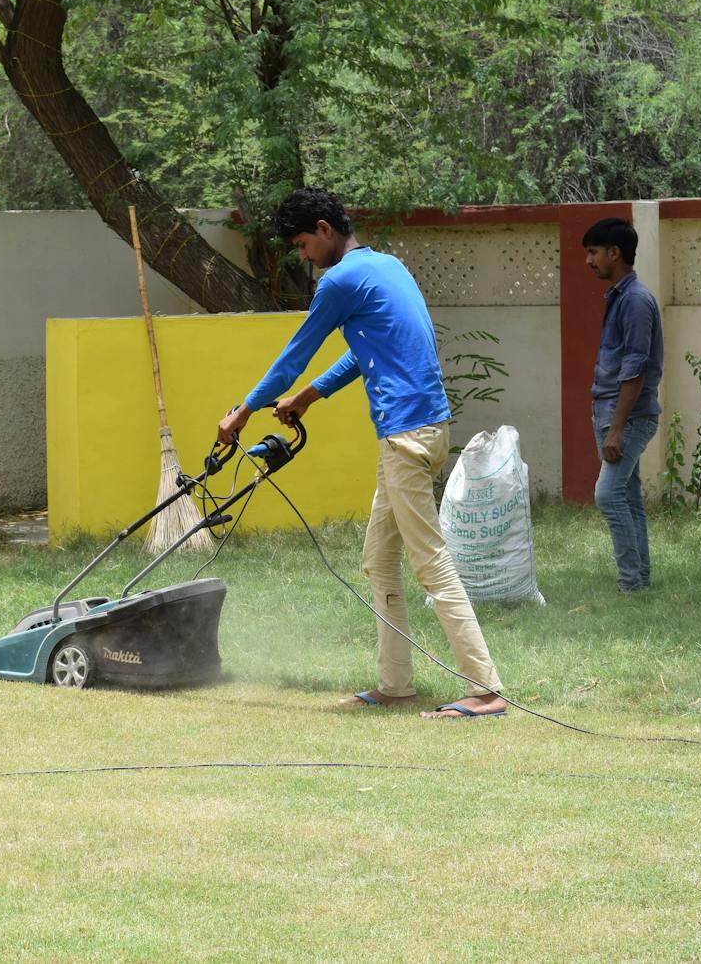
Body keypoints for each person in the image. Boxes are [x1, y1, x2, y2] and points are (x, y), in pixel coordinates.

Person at [217, 187, 507, 719]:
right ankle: (396, 685)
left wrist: (243, 411)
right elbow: (363, 352)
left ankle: (485, 689)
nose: (304, 257)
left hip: (405, 436)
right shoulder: (386, 267)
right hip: (420, 430)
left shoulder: (339, 280)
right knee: (378, 560)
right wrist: (308, 397)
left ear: (325, 230)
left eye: (303, 244)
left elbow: (294, 355)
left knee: (431, 563)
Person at [582, 217, 663, 593]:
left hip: (628, 417)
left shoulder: (634, 300)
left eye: (593, 252)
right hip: (617, 414)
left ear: (614, 253)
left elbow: (635, 366)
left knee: (608, 494)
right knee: (628, 498)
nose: (589, 260)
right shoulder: (621, 296)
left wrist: (616, 428)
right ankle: (639, 582)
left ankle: (630, 583)